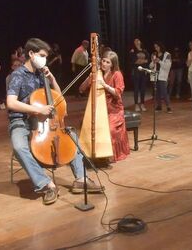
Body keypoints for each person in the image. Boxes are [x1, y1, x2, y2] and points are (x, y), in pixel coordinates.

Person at [7, 38, 104, 205]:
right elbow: (11, 103)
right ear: (31, 54)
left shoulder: (41, 75)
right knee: (18, 147)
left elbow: (59, 98)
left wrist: (52, 79)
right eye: (42, 55)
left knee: (71, 135)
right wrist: (37, 110)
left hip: (44, 122)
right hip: (21, 120)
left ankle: (81, 178)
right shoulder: (18, 75)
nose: (44, 59)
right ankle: (46, 185)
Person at [80, 50, 131, 161]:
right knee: (91, 126)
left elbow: (118, 93)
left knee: (110, 129)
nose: (104, 63)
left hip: (114, 109)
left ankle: (109, 154)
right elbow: (81, 89)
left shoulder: (117, 74)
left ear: (112, 64)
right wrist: (89, 77)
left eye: (108, 62)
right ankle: (95, 151)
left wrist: (104, 85)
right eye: (103, 60)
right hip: (101, 108)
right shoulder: (98, 73)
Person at [149, 42, 172, 113]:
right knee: (157, 92)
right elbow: (150, 66)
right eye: (155, 47)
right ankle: (159, 106)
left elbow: (167, 66)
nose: (156, 48)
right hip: (155, 75)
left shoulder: (167, 54)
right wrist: (153, 62)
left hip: (163, 76)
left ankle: (168, 107)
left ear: (161, 46)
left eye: (157, 47)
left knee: (164, 92)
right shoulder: (154, 54)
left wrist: (160, 61)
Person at [129, 38, 149, 112]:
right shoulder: (132, 51)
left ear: (140, 42)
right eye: (135, 41)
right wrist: (142, 61)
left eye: (138, 40)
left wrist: (140, 61)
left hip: (144, 71)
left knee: (143, 88)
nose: (137, 42)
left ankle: (142, 104)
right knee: (136, 89)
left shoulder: (145, 51)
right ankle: (136, 104)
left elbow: (147, 61)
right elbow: (134, 61)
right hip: (136, 72)